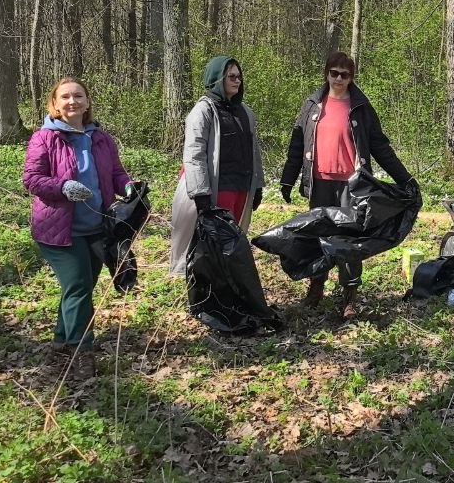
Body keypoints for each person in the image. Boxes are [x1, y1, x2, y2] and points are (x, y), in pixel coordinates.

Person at [280, 51, 414, 318]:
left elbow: (380, 146)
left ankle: (349, 296)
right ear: (326, 74)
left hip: (352, 185)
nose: (339, 79)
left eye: (345, 74)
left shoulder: (360, 107)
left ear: (352, 77)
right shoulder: (312, 106)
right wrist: (287, 178)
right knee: (319, 237)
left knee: (351, 241)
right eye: (334, 73)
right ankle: (315, 289)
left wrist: (405, 178)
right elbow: (298, 145)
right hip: (320, 184)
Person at [22, 77, 135, 376]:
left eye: (78, 96)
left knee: (81, 287)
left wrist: (128, 187)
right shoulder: (44, 138)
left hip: (97, 227)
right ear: (55, 104)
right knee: (79, 287)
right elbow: (32, 179)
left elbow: (116, 172)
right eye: (66, 97)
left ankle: (61, 342)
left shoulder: (101, 138)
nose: (73, 102)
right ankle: (81, 351)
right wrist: (63, 187)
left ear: (87, 102)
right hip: (58, 230)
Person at [169, 56, 265, 277]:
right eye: (231, 76)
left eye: (239, 76)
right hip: (216, 188)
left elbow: (254, 151)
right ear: (216, 79)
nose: (237, 81)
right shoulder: (202, 111)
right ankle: (207, 288)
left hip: (241, 186)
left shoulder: (246, 112)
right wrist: (201, 193)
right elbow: (194, 155)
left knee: (234, 241)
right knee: (213, 242)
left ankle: (228, 287)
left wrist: (257, 185)